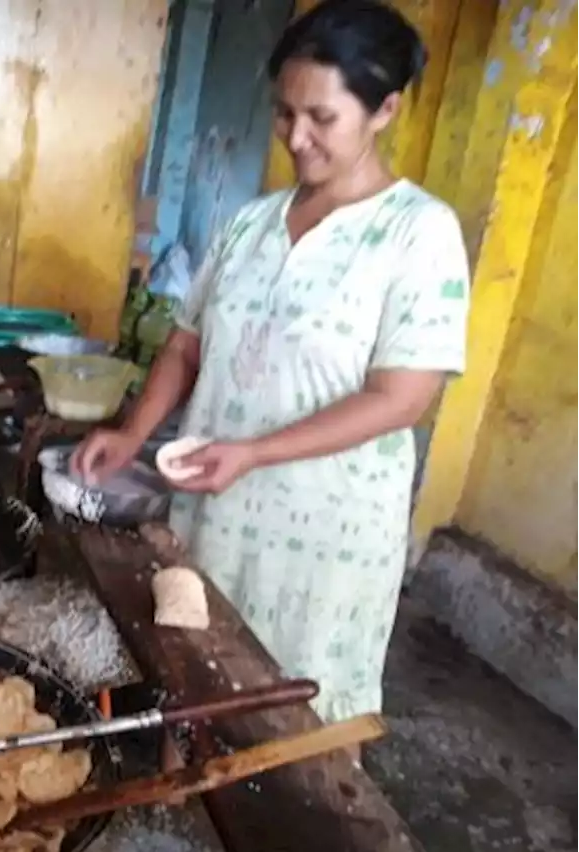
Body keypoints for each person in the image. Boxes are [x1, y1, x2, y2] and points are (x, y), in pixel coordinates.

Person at [74, 0, 470, 728]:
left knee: (305, 710)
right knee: (191, 667)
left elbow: (401, 398)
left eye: (323, 118)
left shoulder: (418, 235)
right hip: (215, 501)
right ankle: (183, 810)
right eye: (286, 114)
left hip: (326, 533)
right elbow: (187, 344)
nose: (296, 137)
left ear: (383, 109)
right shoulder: (251, 222)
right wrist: (133, 434)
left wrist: (257, 451)